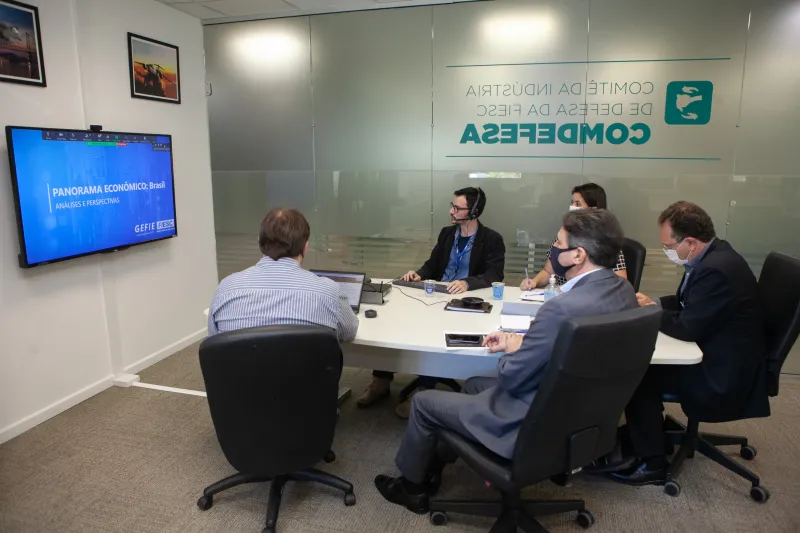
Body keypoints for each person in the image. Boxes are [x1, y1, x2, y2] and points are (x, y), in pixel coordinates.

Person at [374, 209, 638, 513]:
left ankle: (412, 488)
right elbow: (578, 348)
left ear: (578, 255)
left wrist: (514, 350)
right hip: (580, 415)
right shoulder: (623, 292)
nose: (553, 248)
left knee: (424, 403)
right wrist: (527, 343)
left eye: (558, 243)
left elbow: (512, 375)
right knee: (474, 385)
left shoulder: (561, 309)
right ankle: (435, 463)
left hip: (532, 422)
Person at [609, 201, 769, 486]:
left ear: (691, 242)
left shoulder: (716, 270)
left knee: (637, 375)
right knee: (640, 368)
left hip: (722, 370)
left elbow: (686, 325)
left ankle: (653, 464)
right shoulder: (711, 256)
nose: (667, 252)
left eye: (669, 246)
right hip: (717, 346)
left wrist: (650, 312)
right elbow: (687, 302)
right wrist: (654, 302)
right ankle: (645, 433)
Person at [356, 187, 506, 418]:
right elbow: (432, 265)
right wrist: (418, 273)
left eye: (457, 208)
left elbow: (495, 273)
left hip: (465, 302)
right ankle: (381, 380)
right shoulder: (448, 234)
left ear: (474, 211)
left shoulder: (492, 239)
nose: (451, 211)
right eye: (452, 205)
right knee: (394, 321)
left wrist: (468, 282)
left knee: (432, 335)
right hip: (436, 294)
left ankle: (424, 389)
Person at [207, 208, 358, 342]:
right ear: (305, 247)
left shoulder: (225, 289)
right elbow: (349, 333)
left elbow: (215, 340)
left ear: (260, 243)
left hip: (240, 373)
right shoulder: (328, 292)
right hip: (305, 373)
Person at [521, 183, 627, 289]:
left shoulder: (606, 244)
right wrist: (534, 281)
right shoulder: (564, 235)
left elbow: (619, 284)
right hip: (561, 295)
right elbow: (548, 271)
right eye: (572, 203)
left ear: (593, 209)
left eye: (578, 203)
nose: (573, 207)